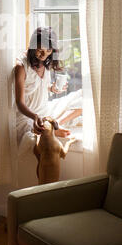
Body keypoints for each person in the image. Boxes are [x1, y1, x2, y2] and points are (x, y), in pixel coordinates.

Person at [14, 27, 82, 157]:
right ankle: (50, 129)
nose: (44, 55)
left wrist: (53, 88)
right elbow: (19, 102)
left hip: (47, 112)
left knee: (82, 97)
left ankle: (53, 126)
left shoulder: (45, 62)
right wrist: (34, 117)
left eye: (48, 51)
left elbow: (40, 86)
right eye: (40, 51)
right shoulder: (21, 66)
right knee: (35, 131)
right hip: (28, 118)